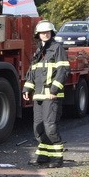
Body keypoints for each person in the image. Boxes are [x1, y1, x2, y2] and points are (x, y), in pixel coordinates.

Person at [23, 20, 69, 168]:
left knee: (50, 127)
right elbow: (32, 73)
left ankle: (57, 158)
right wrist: (27, 89)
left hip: (51, 96)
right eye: (42, 33)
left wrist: (54, 91)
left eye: (47, 32)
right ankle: (44, 155)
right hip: (38, 95)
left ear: (51, 33)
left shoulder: (57, 48)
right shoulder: (38, 51)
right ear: (38, 35)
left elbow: (63, 71)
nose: (45, 35)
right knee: (38, 127)